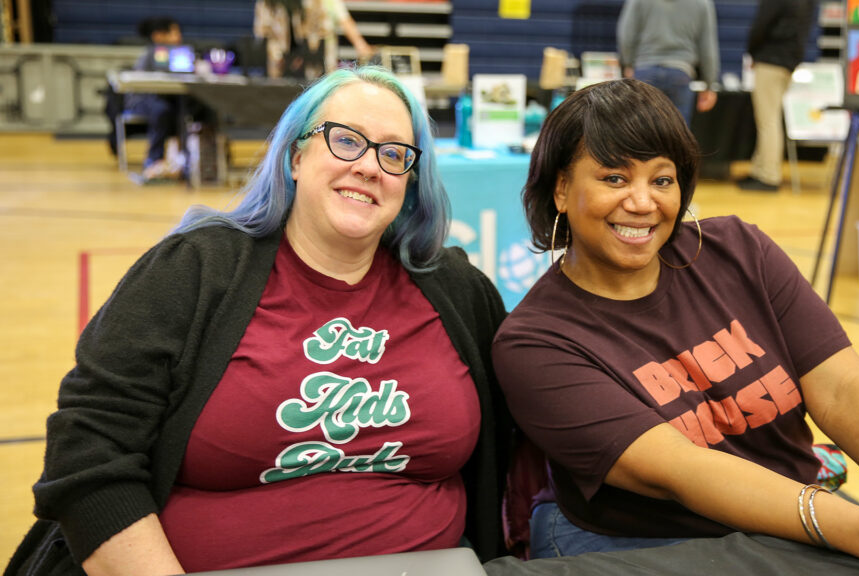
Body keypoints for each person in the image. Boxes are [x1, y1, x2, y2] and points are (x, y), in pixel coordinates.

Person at [490, 79, 859, 574]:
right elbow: (680, 471)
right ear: (560, 190)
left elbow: (843, 387)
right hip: (654, 544)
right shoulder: (535, 342)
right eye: (613, 177)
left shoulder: (738, 250)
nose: (642, 201)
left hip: (797, 513)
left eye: (662, 179)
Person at [6, 66, 512, 575]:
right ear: (295, 156)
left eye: (393, 154)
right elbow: (88, 454)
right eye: (346, 141)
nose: (368, 166)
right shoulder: (195, 269)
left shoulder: (457, 289)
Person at [737, 0, 817, 192]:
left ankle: (769, 176)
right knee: (769, 118)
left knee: (768, 120)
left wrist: (752, 52)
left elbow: (761, 25)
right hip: (788, 61)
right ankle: (759, 169)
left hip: (770, 59)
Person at [616, 0, 719, 124]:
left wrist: (628, 64)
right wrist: (709, 84)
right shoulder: (702, 3)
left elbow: (626, 34)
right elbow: (707, 46)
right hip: (681, 73)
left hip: (644, 71)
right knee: (678, 133)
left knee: (641, 133)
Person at [126, 16, 185, 182]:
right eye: (174, 33)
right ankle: (153, 160)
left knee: (184, 109)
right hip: (142, 100)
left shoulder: (180, 55)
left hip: (166, 99)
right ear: (158, 36)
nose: (178, 36)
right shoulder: (152, 54)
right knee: (162, 111)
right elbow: (141, 86)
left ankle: (185, 160)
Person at [255, 0, 373, 80]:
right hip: (284, 61)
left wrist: (360, 45)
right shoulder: (268, 3)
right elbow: (265, 32)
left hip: (319, 58)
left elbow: (344, 20)